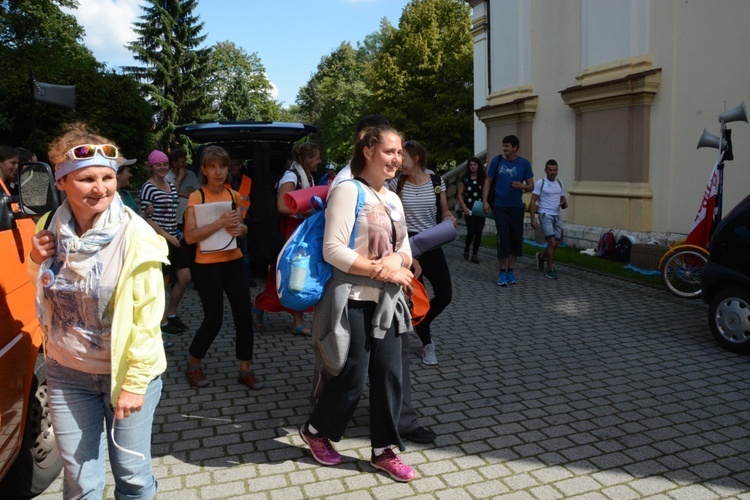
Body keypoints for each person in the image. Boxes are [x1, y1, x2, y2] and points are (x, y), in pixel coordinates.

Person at [29, 123, 168, 498]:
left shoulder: (137, 236)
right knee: (80, 480)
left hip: (124, 374)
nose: (100, 188)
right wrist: (35, 259)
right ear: (61, 182)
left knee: (133, 475)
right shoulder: (48, 226)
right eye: (86, 178)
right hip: (66, 372)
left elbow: (147, 318)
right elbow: (44, 290)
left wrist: (134, 384)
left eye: (107, 177)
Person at [300, 125, 418, 482]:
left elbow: (406, 251)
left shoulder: (394, 198)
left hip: (388, 301)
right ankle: (316, 431)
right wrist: (384, 271)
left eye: (399, 153)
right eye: (389, 152)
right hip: (351, 297)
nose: (396, 159)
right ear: (368, 151)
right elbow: (333, 250)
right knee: (351, 375)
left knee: (389, 375)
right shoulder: (348, 191)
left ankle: (383, 451)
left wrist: (396, 264)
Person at [183, 146, 264, 389]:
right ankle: (193, 364)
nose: (218, 172)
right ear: (204, 170)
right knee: (214, 319)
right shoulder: (197, 197)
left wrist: (243, 230)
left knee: (243, 318)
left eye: (223, 166)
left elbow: (242, 227)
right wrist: (219, 223)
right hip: (207, 266)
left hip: (234, 262)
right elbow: (189, 237)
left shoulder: (234, 196)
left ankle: (244, 370)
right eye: (212, 167)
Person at [389, 140, 454, 367]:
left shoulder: (436, 181)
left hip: (432, 243)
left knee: (445, 294)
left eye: (402, 157)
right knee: (417, 299)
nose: (398, 162)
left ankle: (421, 324)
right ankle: (427, 345)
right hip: (408, 247)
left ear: (416, 158)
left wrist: (448, 219)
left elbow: (444, 210)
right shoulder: (395, 183)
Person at [253, 142, 321, 336]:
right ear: (308, 160)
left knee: (297, 277)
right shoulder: (291, 176)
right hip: (288, 233)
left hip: (300, 231)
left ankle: (297, 322)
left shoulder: (306, 175)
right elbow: (283, 207)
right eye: (317, 157)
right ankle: (258, 306)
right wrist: (310, 212)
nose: (319, 161)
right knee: (283, 277)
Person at [140, 149, 192, 335]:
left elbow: (173, 210)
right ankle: (160, 323)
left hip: (174, 237)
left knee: (185, 277)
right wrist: (167, 236)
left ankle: (171, 314)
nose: (162, 167)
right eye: (158, 164)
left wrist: (176, 233)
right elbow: (146, 218)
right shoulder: (148, 187)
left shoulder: (170, 184)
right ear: (151, 167)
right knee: (163, 282)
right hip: (159, 240)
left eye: (164, 164)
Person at [482, 135, 534, 286]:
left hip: (516, 207)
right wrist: (485, 201)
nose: (504, 149)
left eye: (507, 146)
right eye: (503, 146)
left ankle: (510, 271)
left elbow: (531, 185)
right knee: (503, 239)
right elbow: (488, 181)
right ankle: (502, 273)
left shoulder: (524, 164)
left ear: (515, 147)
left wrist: (522, 186)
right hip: (500, 206)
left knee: (515, 240)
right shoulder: (497, 161)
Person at [530, 159, 568, 279]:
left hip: (557, 215)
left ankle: (541, 257)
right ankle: (550, 268)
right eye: (550, 170)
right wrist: (533, 218)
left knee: (556, 244)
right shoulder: (541, 183)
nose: (553, 172)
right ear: (546, 170)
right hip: (545, 214)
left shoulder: (560, 183)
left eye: (555, 170)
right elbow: (533, 201)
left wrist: (564, 204)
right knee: (551, 242)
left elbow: (563, 199)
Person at [228, 155, 257, 287]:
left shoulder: (248, 181)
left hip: (244, 221)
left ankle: (247, 278)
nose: (231, 167)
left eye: (234, 164)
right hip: (227, 220)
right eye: (229, 165)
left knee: (244, 252)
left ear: (240, 166)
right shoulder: (222, 181)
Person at [457, 156, 486, 263]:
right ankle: (467, 246)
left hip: (480, 208)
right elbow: (460, 194)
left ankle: (475, 254)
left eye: (475, 165)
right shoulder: (464, 179)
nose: (473, 167)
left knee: (478, 232)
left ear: (478, 166)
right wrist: (463, 207)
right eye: (471, 165)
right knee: (471, 230)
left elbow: (486, 193)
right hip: (469, 207)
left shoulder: (483, 179)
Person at [164, 148, 200, 228]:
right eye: (182, 162)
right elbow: (172, 196)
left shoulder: (191, 175)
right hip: (176, 220)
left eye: (185, 161)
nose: (185, 164)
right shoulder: (166, 178)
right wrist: (180, 178)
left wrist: (179, 193)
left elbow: (198, 195)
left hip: (193, 219)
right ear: (174, 163)